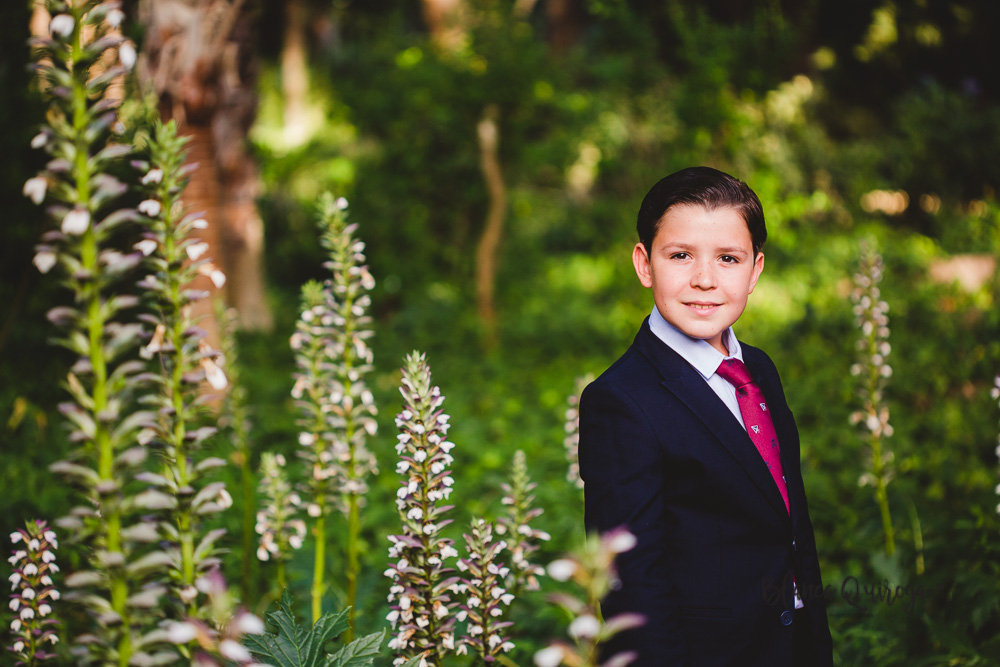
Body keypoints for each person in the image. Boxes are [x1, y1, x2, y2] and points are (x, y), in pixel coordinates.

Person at [578, 166, 833, 666]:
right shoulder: (621, 402)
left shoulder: (757, 369)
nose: (703, 280)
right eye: (680, 256)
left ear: (755, 269)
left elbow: (789, 526)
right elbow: (632, 584)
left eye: (728, 259)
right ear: (644, 264)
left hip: (791, 642)